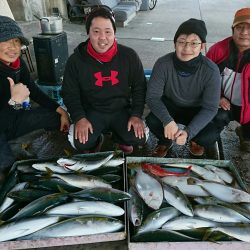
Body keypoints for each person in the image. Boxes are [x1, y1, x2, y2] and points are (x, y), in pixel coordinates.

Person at [62, 6, 147, 154]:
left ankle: (120, 138)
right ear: (88, 32)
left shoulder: (129, 56)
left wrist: (136, 115)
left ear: (114, 33)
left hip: (121, 110)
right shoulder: (76, 60)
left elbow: (140, 87)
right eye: (96, 31)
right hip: (92, 111)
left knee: (139, 138)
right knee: (81, 143)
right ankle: (96, 140)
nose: (102, 37)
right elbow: (70, 93)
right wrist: (79, 118)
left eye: (108, 31)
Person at [0, 16, 70, 179]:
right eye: (6, 41)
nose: (13, 47)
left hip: (13, 117)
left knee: (56, 118)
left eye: (16, 41)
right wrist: (14, 101)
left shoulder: (18, 64)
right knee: (8, 169)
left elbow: (33, 90)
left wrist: (60, 110)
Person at [146, 18, 222, 157]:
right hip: (171, 105)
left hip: (196, 109)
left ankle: (193, 140)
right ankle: (165, 141)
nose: (187, 48)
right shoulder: (163, 64)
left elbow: (210, 108)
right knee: (152, 120)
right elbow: (152, 97)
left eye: (194, 43)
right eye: (181, 42)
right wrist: (167, 120)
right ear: (175, 44)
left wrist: (189, 132)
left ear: (202, 46)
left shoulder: (211, 70)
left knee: (210, 135)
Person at [206, 7, 250, 152]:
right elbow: (203, 78)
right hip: (225, 104)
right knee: (206, 136)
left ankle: (245, 134)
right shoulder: (218, 50)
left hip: (248, 107)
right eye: (239, 27)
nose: (244, 32)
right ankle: (211, 138)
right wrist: (216, 97)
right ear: (233, 30)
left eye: (249, 27)